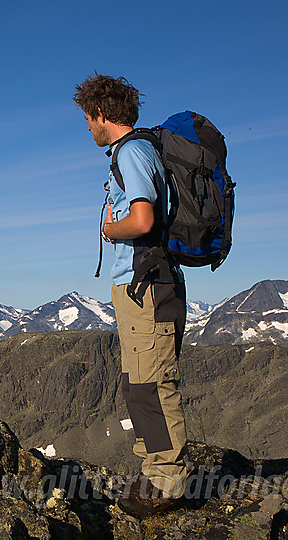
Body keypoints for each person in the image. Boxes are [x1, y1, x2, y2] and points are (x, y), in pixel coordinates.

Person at [73, 73, 188, 517]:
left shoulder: (133, 153)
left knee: (153, 384)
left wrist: (109, 228)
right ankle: (153, 472)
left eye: (88, 117)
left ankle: (166, 484)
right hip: (141, 285)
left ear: (102, 114)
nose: (87, 127)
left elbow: (142, 220)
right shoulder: (134, 152)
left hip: (147, 286)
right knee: (138, 381)